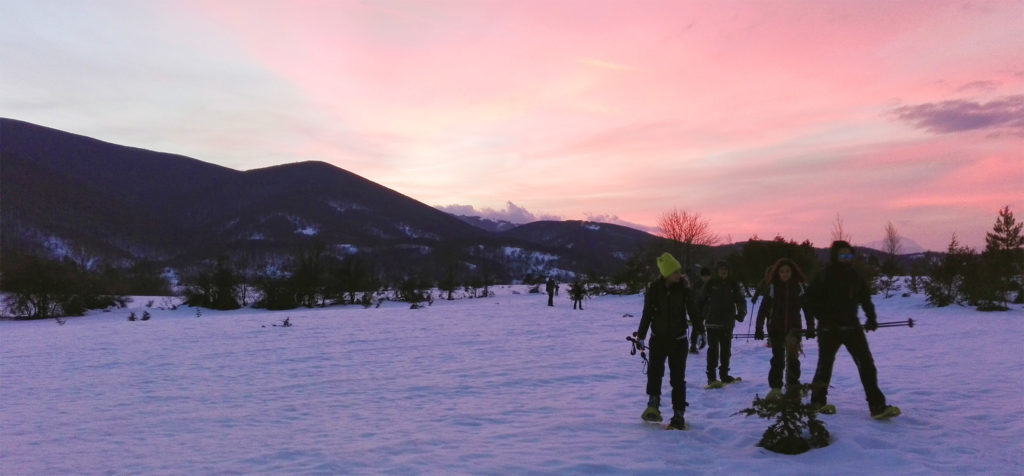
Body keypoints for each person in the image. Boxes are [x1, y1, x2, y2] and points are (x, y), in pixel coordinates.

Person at [806, 241, 900, 419]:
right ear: (835, 256)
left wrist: (871, 317)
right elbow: (809, 300)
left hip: (853, 327)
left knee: (867, 365)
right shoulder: (824, 276)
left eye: (849, 255)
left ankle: (877, 406)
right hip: (828, 330)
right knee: (824, 366)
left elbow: (865, 298)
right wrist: (824, 319)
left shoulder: (856, 276)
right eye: (842, 255)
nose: (846, 258)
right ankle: (817, 403)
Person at [634, 252, 703, 430]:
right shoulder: (654, 290)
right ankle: (653, 405)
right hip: (658, 340)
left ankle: (678, 413)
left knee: (677, 379)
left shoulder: (684, 290)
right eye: (675, 272)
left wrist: (701, 331)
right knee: (654, 373)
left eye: (679, 271)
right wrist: (640, 336)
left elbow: (694, 312)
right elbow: (647, 314)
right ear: (666, 273)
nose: (679, 274)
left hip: (679, 341)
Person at [754, 258, 813, 399]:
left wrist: (811, 326)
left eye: (787, 271)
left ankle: (793, 387)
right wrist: (759, 327)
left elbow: (807, 308)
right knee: (778, 360)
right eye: (782, 271)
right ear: (777, 273)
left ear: (792, 272)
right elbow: (763, 309)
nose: (785, 274)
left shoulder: (799, 287)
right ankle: (775, 388)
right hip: (776, 329)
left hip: (794, 330)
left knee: (793, 360)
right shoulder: (773, 287)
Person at [700, 260, 747, 388]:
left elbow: (741, 300)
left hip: (727, 323)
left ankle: (724, 375)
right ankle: (711, 377)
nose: (723, 271)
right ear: (717, 271)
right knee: (713, 350)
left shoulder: (733, 284)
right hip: (712, 323)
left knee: (726, 350)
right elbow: (701, 300)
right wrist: (698, 317)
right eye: (721, 269)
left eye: (725, 269)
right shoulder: (710, 284)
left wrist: (741, 313)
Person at [689, 267, 713, 354]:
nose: (706, 278)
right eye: (704, 276)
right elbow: (693, 297)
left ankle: (710, 343)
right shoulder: (697, 285)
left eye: (707, 276)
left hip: (710, 309)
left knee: (711, 326)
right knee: (696, 327)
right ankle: (693, 345)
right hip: (699, 309)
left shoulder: (713, 284)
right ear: (701, 276)